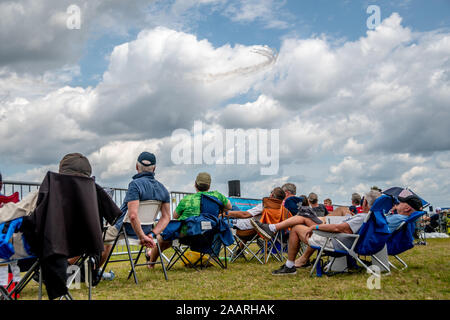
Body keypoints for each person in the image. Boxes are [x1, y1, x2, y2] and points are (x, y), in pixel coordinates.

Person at [253, 189, 423, 275]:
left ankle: (290, 265)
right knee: (305, 218)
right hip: (347, 240)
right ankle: (295, 253)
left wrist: (316, 227)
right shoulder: (380, 218)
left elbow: (337, 229)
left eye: (400, 203)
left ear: (364, 203)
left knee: (298, 227)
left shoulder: (371, 217)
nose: (397, 205)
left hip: (338, 242)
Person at [103, 152, 171, 268]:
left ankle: (87, 271)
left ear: (136, 166)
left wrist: (141, 236)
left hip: (124, 229)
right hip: (146, 230)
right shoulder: (163, 189)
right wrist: (152, 234)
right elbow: (166, 217)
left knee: (97, 237)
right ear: (154, 168)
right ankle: (93, 271)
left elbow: (133, 215)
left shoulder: (135, 185)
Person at [147, 172, 232, 266]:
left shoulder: (187, 199)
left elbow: (175, 216)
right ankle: (151, 255)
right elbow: (229, 207)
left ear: (195, 185)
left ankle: (151, 264)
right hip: (209, 233)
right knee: (169, 236)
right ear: (209, 185)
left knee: (163, 237)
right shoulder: (217, 196)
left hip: (187, 234)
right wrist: (218, 212)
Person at [226, 187, 286, 256]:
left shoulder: (265, 206)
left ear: (272, 195)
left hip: (248, 231)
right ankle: (240, 251)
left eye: (271, 192)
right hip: (264, 231)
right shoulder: (281, 208)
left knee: (222, 219)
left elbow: (245, 214)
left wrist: (226, 214)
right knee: (234, 208)